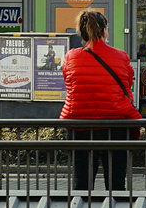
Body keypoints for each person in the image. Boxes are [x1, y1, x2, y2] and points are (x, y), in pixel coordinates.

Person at [59, 10, 140, 192]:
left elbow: (69, 84)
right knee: (116, 184)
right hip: (116, 126)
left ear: (82, 32)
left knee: (82, 184)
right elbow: (127, 83)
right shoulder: (121, 56)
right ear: (104, 31)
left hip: (80, 126)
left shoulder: (70, 57)